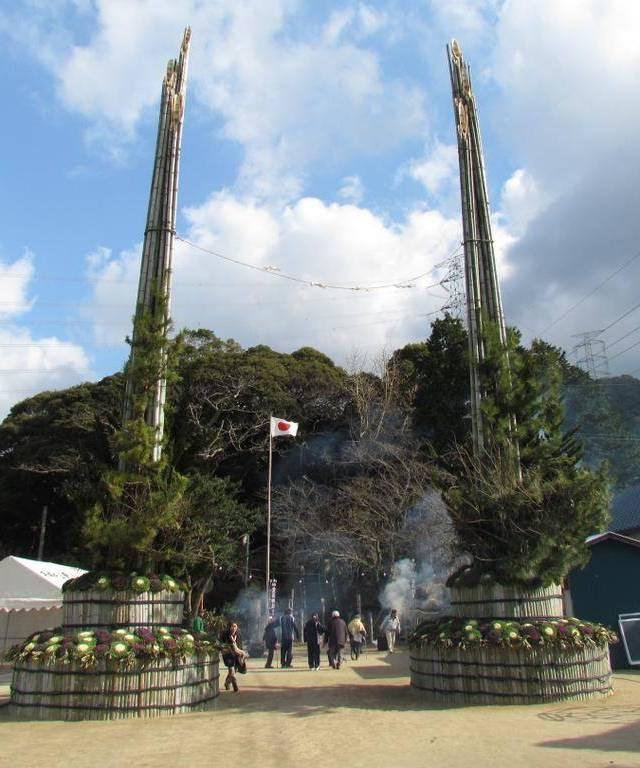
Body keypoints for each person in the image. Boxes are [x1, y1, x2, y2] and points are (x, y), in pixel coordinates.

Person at [220, 621, 248, 692]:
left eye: (235, 626)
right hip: (227, 655)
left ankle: (227, 683)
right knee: (231, 670)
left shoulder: (238, 635)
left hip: (236, 654)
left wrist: (241, 654)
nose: (233, 628)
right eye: (232, 626)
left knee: (233, 671)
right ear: (229, 627)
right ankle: (235, 686)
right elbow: (222, 646)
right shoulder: (225, 635)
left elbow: (240, 646)